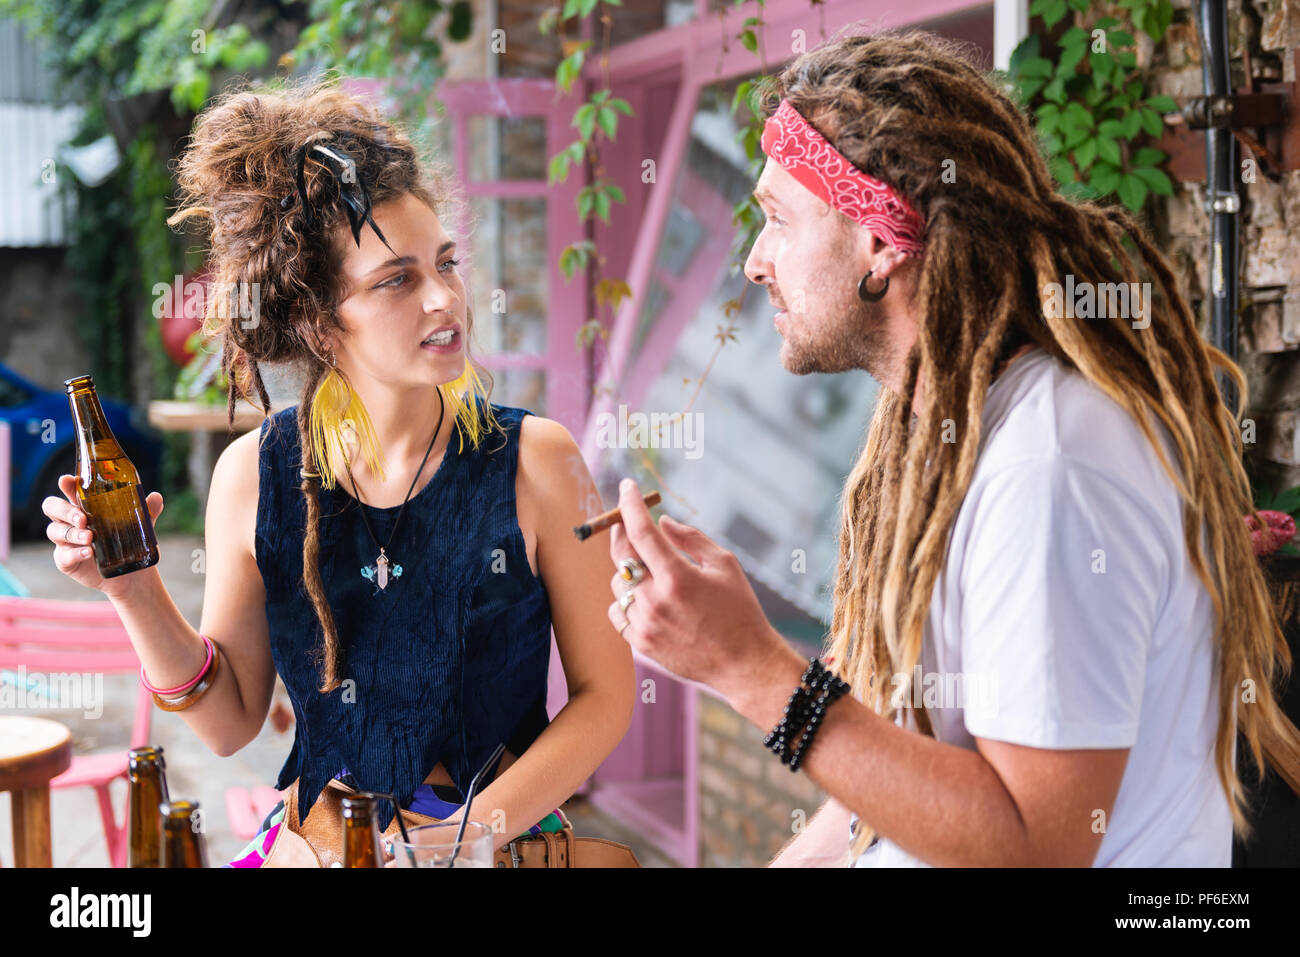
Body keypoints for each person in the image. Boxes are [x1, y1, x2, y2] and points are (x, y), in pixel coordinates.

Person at [604, 28, 1300, 866]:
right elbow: (912, 784)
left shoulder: (1053, 462)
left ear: (881, 242)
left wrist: (747, 667)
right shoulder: (947, 434)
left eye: (777, 220)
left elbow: (1036, 843)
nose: (754, 262)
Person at [43, 76, 635, 865]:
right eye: (398, 280)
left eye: (446, 263)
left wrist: (460, 839)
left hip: (503, 844)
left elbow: (607, 695)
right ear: (320, 321)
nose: (444, 299)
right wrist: (133, 589)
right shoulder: (253, 475)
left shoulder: (537, 462)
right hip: (316, 846)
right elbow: (229, 723)